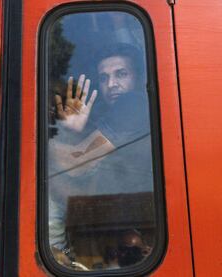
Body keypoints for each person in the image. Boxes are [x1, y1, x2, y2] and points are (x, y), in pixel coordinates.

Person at [48, 44, 153, 268]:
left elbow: (75, 163)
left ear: (139, 76)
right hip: (116, 220)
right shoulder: (112, 115)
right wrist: (71, 130)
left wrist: (51, 136)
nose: (111, 84)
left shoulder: (132, 103)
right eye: (104, 78)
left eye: (121, 74)